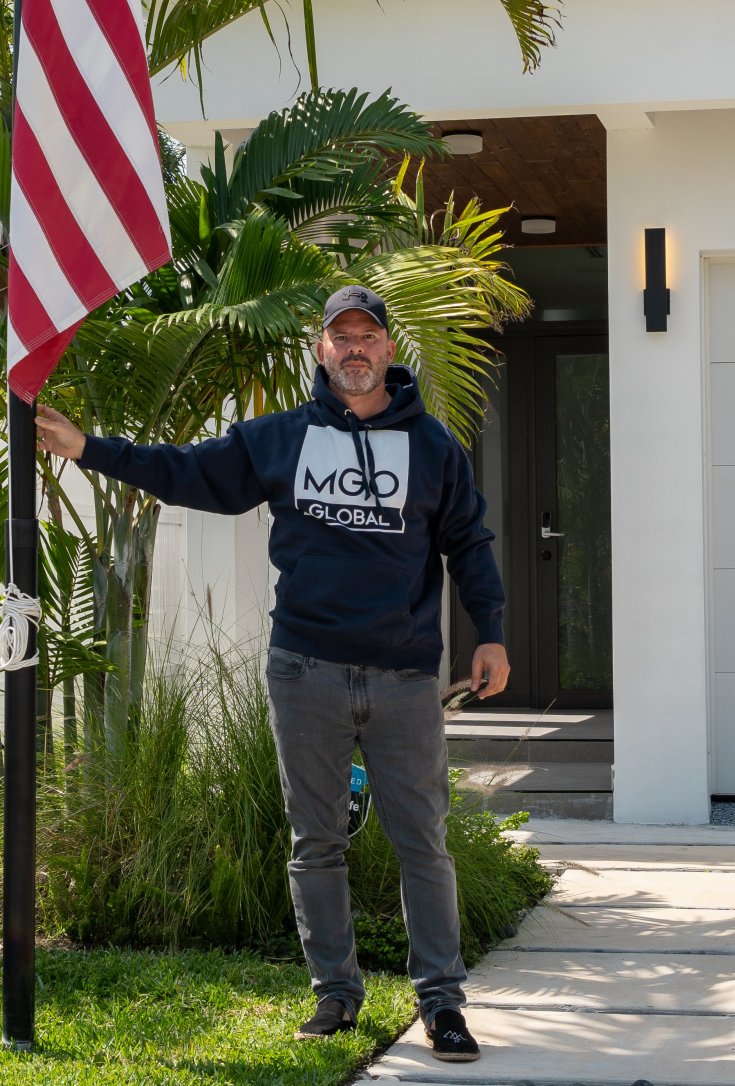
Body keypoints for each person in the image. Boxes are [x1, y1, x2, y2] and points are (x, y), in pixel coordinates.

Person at [34, 284, 508, 1063]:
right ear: (321, 350)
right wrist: (94, 450)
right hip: (305, 669)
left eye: (368, 336)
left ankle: (443, 1005)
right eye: (340, 337)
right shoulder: (283, 438)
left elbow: (470, 543)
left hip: (404, 676)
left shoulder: (433, 446)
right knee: (315, 841)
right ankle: (336, 997)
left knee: (422, 842)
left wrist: (489, 633)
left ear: (390, 350)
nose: (355, 348)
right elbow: (190, 472)